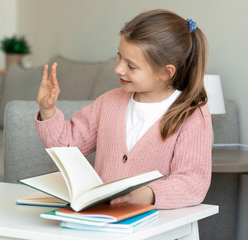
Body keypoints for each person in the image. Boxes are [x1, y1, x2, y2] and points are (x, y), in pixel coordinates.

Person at [35, 9, 212, 210]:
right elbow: (66, 146)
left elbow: (192, 182)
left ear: (165, 72)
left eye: (131, 66)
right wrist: (47, 110)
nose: (118, 69)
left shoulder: (191, 114)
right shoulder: (109, 102)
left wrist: (145, 194)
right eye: (119, 57)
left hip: (154, 225)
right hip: (102, 220)